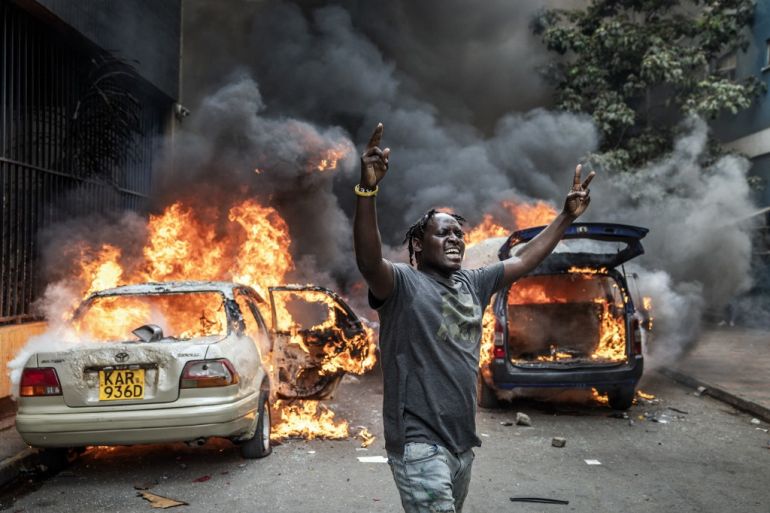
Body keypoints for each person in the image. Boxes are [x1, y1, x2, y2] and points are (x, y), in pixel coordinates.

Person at [353, 123, 594, 513]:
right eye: (443, 233)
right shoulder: (402, 285)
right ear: (419, 245)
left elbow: (524, 259)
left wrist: (565, 217)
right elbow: (368, 260)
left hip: (461, 445)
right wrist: (367, 191)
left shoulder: (474, 283)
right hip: (418, 445)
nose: (455, 239)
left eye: (458, 234)